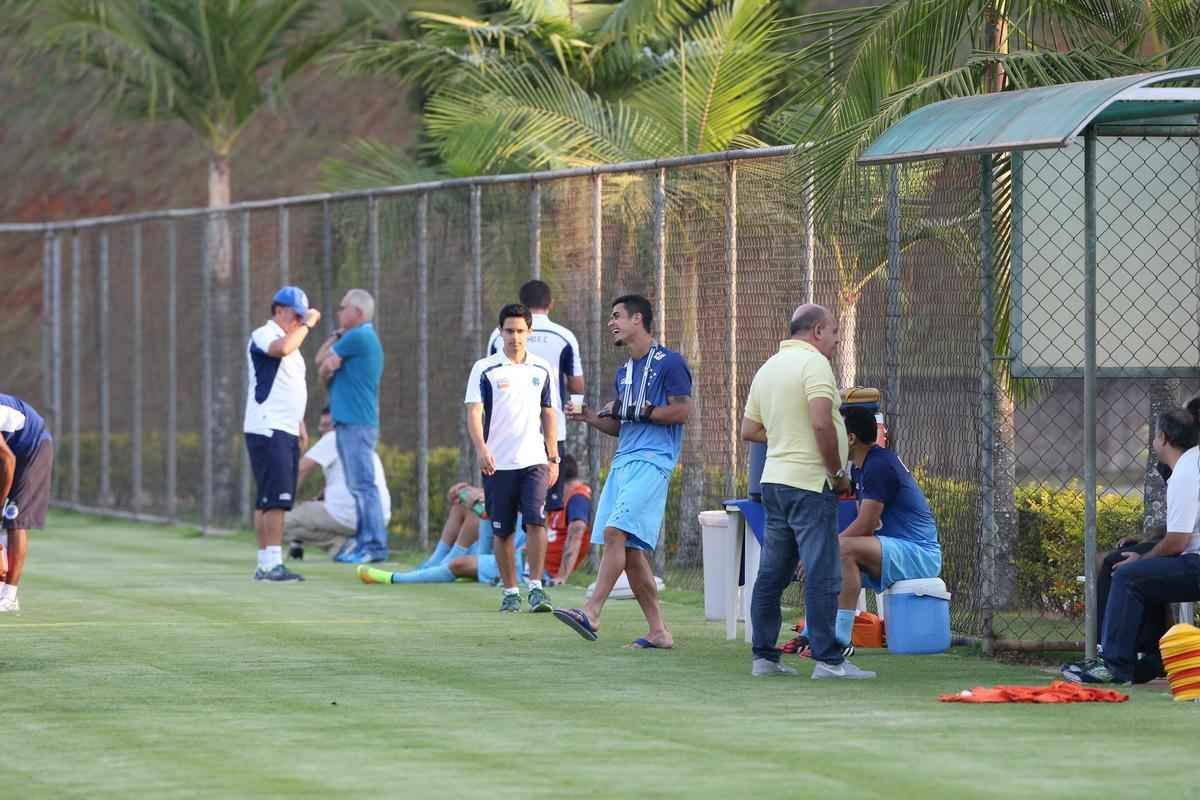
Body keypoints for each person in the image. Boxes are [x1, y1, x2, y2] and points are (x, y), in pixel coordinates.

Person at [740, 304, 875, 679]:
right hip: (809, 484)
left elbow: (749, 430)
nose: (834, 340)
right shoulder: (814, 365)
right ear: (817, 330)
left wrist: (784, 435)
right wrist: (836, 473)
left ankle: (764, 658)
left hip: (774, 482)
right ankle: (829, 661)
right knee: (822, 572)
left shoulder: (767, 368)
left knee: (772, 573)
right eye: (833, 332)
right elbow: (821, 423)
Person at [554, 295, 689, 649]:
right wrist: (589, 418)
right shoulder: (624, 371)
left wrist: (633, 409)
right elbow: (622, 425)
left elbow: (680, 413)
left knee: (615, 532)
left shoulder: (670, 363)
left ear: (637, 319)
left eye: (617, 317)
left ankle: (592, 611)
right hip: (624, 461)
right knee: (629, 551)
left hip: (653, 461)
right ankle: (658, 631)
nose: (611, 323)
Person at [1062, 402, 1200, 684]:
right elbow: (1183, 528)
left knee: (1128, 574)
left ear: (1164, 439)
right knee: (1120, 561)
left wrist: (1144, 558)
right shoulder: (1190, 463)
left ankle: (1114, 666)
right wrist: (1148, 542)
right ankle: (1148, 658)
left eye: (1154, 433)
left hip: (1193, 562)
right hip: (1189, 555)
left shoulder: (1187, 470)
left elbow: (1177, 542)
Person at [358, 459, 592, 586]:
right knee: (470, 507)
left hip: (528, 566)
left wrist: (562, 576)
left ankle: (397, 579)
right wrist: (473, 493)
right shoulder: (546, 495)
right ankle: (433, 564)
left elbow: (578, 530)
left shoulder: (577, 496)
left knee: (460, 564)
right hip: (516, 547)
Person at [465, 303, 559, 613]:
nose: (515, 337)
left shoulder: (542, 369)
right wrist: (482, 448)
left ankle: (536, 588)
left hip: (533, 461)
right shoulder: (485, 368)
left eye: (520, 331)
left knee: (535, 519)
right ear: (500, 332)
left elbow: (549, 412)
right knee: (502, 530)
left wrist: (553, 455)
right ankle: (510, 591)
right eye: (509, 331)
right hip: (497, 464)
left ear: (529, 332)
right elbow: (474, 412)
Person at [835, 405, 941, 644]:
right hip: (895, 549)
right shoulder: (863, 467)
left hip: (919, 554)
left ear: (851, 438)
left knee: (839, 549)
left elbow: (865, 526)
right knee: (825, 559)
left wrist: (828, 547)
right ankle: (813, 636)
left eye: (836, 431)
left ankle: (839, 641)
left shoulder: (879, 465)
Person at [243, 286, 320, 582]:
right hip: (268, 426)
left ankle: (265, 564)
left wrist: (300, 424)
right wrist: (309, 323)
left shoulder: (291, 342)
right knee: (274, 499)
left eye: (302, 316)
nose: (299, 320)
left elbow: (288, 385)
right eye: (295, 315)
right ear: (278, 311)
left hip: (284, 427)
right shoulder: (265, 333)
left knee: (268, 499)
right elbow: (282, 349)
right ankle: (272, 562)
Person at [487, 280, 585, 509]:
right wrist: (577, 411)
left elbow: (489, 379)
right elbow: (577, 386)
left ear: (521, 304)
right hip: (551, 432)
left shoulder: (498, 334)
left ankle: (517, 544)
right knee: (545, 507)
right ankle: (539, 545)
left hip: (506, 432)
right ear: (550, 303)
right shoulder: (564, 336)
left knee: (510, 506)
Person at [318, 288, 387, 564]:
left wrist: (327, 367)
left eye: (342, 307)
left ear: (356, 312)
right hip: (350, 422)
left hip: (358, 423)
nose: (338, 312)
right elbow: (321, 366)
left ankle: (374, 546)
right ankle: (364, 543)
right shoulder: (353, 337)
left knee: (364, 486)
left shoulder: (359, 336)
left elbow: (321, 362)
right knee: (358, 486)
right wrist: (335, 338)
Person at [285, 407, 392, 560]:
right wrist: (322, 497)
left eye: (327, 425)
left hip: (347, 516)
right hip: (379, 519)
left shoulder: (334, 436)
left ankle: (341, 544)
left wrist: (284, 502)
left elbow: (302, 468)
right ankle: (352, 544)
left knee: (278, 521)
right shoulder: (363, 441)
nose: (323, 429)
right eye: (321, 425)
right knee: (311, 511)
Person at [0, 394, 54, 612]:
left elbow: (8, 459)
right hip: (11, 451)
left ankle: (9, 596)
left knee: (14, 517)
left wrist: (1, 502)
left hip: (33, 447)